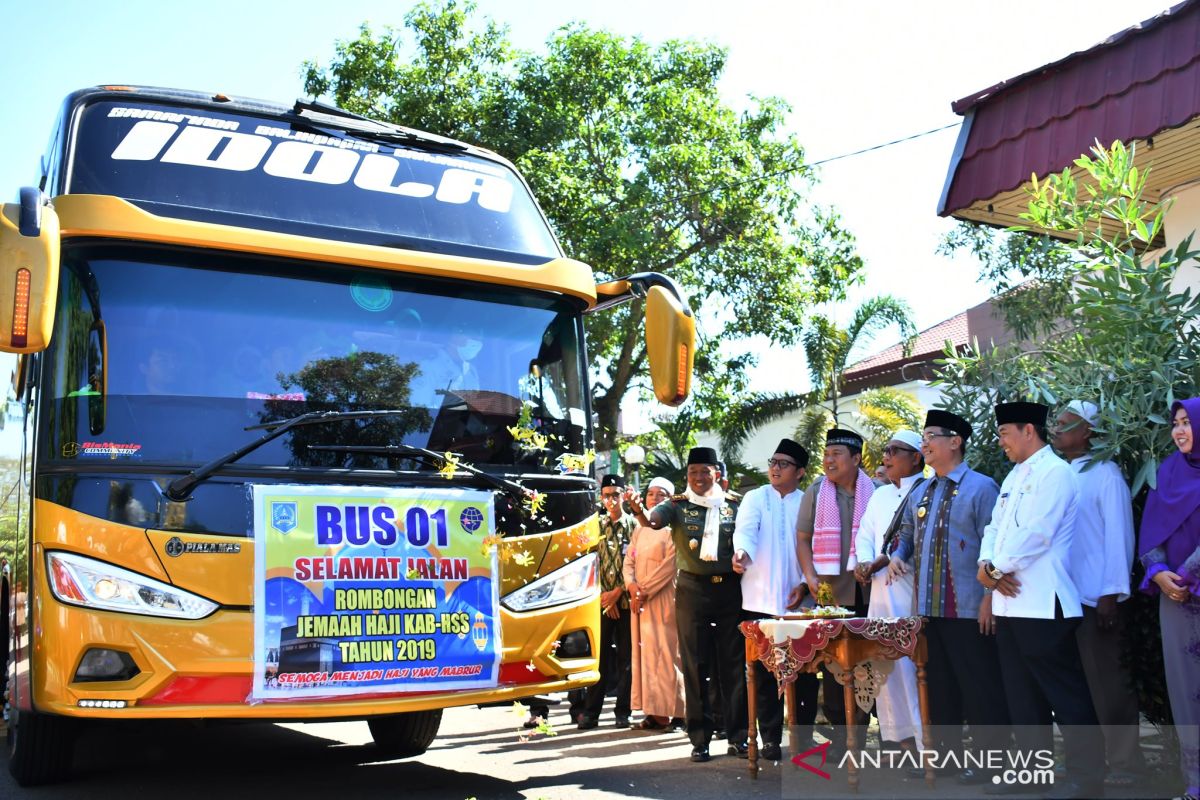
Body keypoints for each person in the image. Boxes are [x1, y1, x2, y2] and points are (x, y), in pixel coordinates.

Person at [978, 401, 1103, 799]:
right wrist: (986, 565)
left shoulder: (1056, 473)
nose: (1001, 443)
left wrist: (994, 571)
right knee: (1021, 696)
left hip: (1044, 603)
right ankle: (1034, 774)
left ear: (1028, 430)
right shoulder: (1015, 475)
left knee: (1065, 695)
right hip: (1010, 604)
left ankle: (1087, 779)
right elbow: (994, 527)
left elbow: (1038, 534)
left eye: (1004, 434)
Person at [888, 409, 1008, 784]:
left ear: (955, 441)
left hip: (970, 608)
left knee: (980, 686)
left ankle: (995, 764)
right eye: (923, 438)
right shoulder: (922, 489)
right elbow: (906, 532)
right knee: (938, 686)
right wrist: (897, 555)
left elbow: (996, 547)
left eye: (931, 436)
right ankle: (946, 759)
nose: (924, 444)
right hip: (927, 609)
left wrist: (990, 596)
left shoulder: (982, 487)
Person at [627, 447, 746, 763]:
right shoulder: (677, 506)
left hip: (729, 593)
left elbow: (748, 540)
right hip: (692, 592)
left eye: (704, 472)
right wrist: (639, 511)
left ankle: (738, 737)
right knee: (695, 667)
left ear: (715, 474)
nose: (698, 478)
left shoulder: (735, 505)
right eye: (693, 472)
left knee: (733, 668)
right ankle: (700, 740)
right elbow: (652, 521)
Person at [1052, 400, 1143, 786]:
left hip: (1094, 599)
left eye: (1064, 425)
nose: (1055, 431)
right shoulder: (1055, 473)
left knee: (1108, 684)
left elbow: (1119, 534)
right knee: (1075, 686)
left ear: (1087, 431)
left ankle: (1126, 763)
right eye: (1054, 425)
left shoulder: (1105, 473)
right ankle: (1088, 762)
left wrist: (1111, 594)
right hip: (1060, 597)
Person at [793, 428, 874, 749]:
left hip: (868, 594)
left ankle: (859, 736)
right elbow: (802, 539)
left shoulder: (876, 491)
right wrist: (810, 577)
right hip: (829, 595)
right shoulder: (817, 491)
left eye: (836, 455)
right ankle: (841, 741)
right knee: (834, 671)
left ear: (856, 459)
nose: (828, 461)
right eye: (826, 455)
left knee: (864, 669)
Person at [1138, 398, 1200, 800]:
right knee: (1183, 687)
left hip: (1189, 585)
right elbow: (1151, 532)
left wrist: (1190, 572)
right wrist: (1158, 573)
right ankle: (1195, 784)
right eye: (1175, 424)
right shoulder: (1168, 471)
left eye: (1186, 423)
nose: (1179, 431)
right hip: (1174, 598)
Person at [732, 438, 808, 762]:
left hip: (799, 602)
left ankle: (804, 742)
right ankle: (771, 739)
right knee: (765, 674)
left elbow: (816, 547)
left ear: (800, 472)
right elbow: (746, 530)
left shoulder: (808, 502)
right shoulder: (755, 497)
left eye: (783, 464)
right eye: (772, 462)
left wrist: (805, 584)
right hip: (759, 598)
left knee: (803, 674)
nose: (775, 468)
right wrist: (741, 553)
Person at [853, 430, 925, 753]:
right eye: (886, 450)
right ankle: (902, 742)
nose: (887, 456)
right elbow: (865, 533)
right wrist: (864, 562)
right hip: (881, 595)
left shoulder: (926, 490)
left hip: (910, 594)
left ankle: (927, 745)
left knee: (913, 670)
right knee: (886, 668)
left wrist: (880, 561)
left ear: (916, 458)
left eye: (895, 451)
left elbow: (909, 543)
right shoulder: (880, 495)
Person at [623, 476, 685, 732]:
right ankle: (654, 713)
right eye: (651, 494)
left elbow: (670, 566)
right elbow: (629, 561)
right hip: (639, 601)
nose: (655, 498)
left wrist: (644, 590)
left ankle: (677, 714)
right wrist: (632, 586)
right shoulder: (639, 529)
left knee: (668, 655)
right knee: (645, 656)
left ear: (669, 499)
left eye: (661, 494)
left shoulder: (672, 529)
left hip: (663, 598)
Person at [579, 473, 635, 729]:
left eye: (616, 494)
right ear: (601, 498)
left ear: (624, 494)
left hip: (625, 603)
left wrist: (618, 593)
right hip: (600, 604)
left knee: (626, 660)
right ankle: (591, 713)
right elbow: (587, 563)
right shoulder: (595, 527)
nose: (611, 500)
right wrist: (605, 598)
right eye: (607, 495)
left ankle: (623, 712)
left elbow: (638, 565)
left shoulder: (635, 526)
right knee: (598, 660)